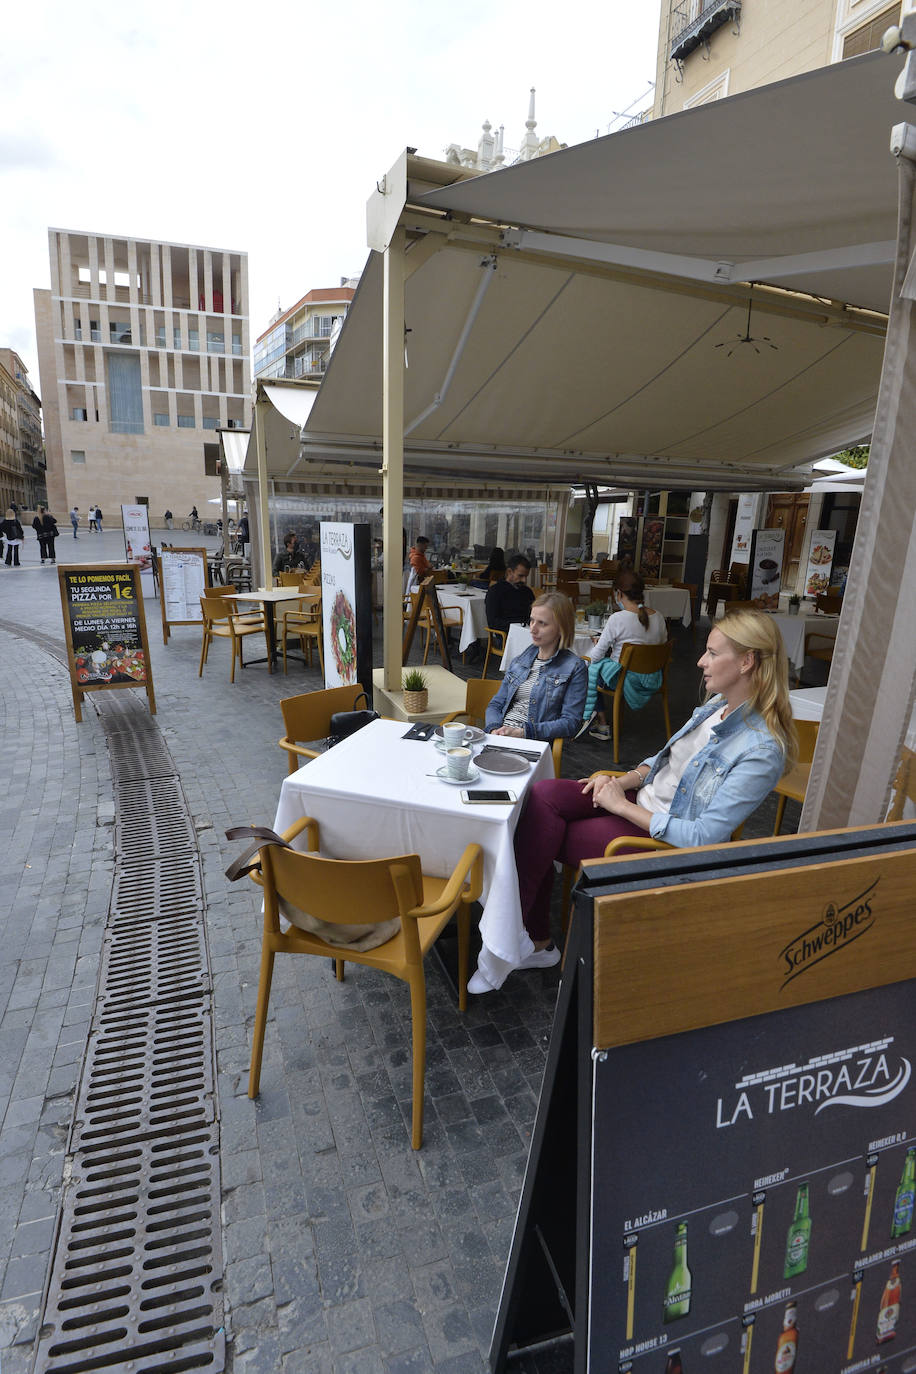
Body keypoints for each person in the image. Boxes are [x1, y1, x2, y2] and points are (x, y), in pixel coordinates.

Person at [503, 610, 796, 980]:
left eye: (712, 653)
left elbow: (702, 837)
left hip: (657, 839)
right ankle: (525, 933)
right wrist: (624, 782)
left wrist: (619, 806)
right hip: (634, 804)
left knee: (540, 830)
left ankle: (525, 935)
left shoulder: (761, 750)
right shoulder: (715, 708)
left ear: (747, 662)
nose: (700, 661)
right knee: (542, 794)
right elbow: (661, 761)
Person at [577, 570, 668, 741]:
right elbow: (661, 644)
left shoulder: (617, 619)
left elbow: (596, 656)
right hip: (652, 679)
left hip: (623, 680)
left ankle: (602, 724)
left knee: (587, 669)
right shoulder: (659, 617)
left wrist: (598, 645)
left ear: (618, 593)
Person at [485, 592, 587, 742]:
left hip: (531, 741)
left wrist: (523, 732)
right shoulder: (520, 660)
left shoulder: (574, 667)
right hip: (501, 735)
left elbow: (571, 723)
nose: (532, 629)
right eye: (532, 621)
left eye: (542, 623)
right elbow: (496, 704)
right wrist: (494, 729)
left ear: (561, 627)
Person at [485, 554, 535, 634]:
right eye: (521, 576)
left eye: (526, 576)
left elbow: (533, 615)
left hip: (527, 632)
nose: (524, 580)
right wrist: (519, 626)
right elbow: (493, 622)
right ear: (509, 572)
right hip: (506, 635)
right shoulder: (495, 591)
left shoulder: (527, 592)